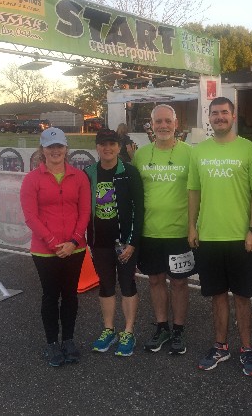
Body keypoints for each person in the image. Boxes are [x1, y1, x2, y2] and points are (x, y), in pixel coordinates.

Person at [188, 96, 252, 376]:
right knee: (217, 296)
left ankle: (246, 349)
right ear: (209, 117)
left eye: (224, 112)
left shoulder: (251, 150)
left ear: (234, 116)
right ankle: (220, 346)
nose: (219, 117)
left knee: (243, 297)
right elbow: (193, 191)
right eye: (214, 113)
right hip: (208, 237)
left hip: (242, 238)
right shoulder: (199, 152)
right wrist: (192, 227)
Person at [20, 127, 90, 367]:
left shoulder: (79, 177)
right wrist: (52, 242)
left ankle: (68, 340)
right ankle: (52, 343)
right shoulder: (32, 179)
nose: (56, 151)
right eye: (50, 147)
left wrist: (73, 242)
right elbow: (31, 216)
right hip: (44, 250)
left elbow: (85, 212)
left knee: (70, 295)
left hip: (75, 248)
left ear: (66, 148)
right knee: (51, 296)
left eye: (59, 146)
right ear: (42, 150)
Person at [133, 104, 195, 355]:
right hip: (149, 233)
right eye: (158, 121)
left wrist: (194, 227)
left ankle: (178, 329)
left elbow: (197, 193)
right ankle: (162, 327)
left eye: (167, 121)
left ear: (176, 123)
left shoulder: (190, 154)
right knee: (155, 280)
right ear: (151, 125)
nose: (163, 126)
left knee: (179, 283)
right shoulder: (140, 155)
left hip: (179, 232)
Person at [85, 128, 144, 357]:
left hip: (125, 242)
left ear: (119, 148)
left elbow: (139, 209)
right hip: (99, 241)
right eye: (103, 144)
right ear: (97, 147)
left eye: (112, 144)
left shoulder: (129, 172)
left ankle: (128, 330)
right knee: (106, 285)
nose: (107, 148)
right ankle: (108, 329)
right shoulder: (89, 173)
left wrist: (133, 242)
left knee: (127, 284)